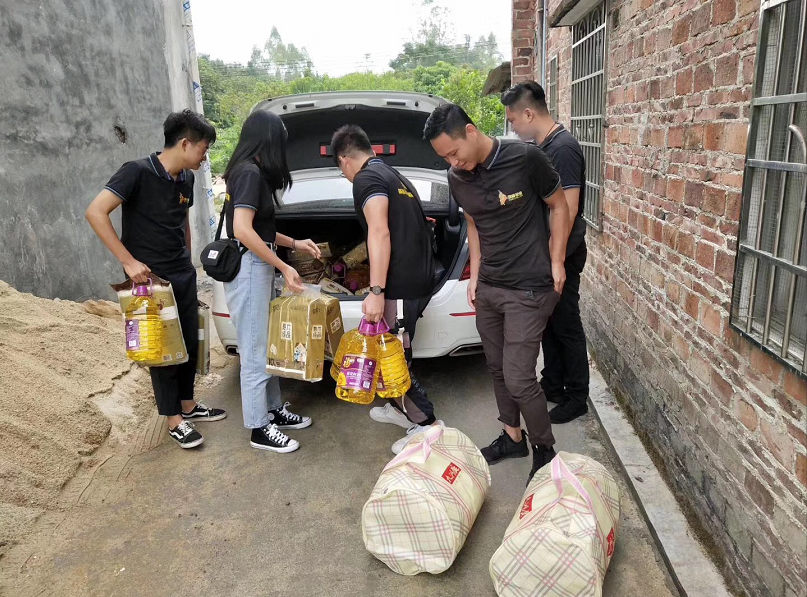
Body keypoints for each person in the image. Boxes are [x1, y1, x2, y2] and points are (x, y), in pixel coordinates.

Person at [424, 103, 570, 484]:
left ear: (471, 132)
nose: (453, 162)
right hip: (490, 285)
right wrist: (475, 274)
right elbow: (473, 223)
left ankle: (545, 451)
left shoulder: (525, 158)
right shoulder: (457, 177)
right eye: (445, 158)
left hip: (530, 286)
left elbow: (559, 205)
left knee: (519, 376)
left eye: (454, 152)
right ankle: (512, 437)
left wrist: (557, 260)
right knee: (497, 367)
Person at [86, 110, 226, 449]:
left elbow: (182, 222)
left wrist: (189, 261)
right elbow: (95, 211)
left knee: (189, 340)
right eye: (203, 149)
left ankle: (188, 405)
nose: (205, 157)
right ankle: (174, 419)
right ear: (185, 143)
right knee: (163, 348)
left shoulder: (186, 179)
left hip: (181, 271)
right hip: (148, 279)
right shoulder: (136, 172)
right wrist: (128, 261)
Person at [330, 124, 443, 454]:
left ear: (344, 160)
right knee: (391, 348)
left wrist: (376, 291)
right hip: (418, 279)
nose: (345, 175)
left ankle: (426, 424)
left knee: (394, 355)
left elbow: (379, 232)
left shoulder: (366, 179)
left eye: (341, 169)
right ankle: (398, 408)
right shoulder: (394, 175)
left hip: (401, 285)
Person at [222, 110, 321, 453]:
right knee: (254, 349)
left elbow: (259, 230)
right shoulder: (249, 173)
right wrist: (283, 266)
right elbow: (242, 230)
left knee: (267, 344)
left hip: (256, 264)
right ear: (268, 140)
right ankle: (259, 428)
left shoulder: (249, 172)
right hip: (249, 267)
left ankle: (273, 409)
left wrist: (295, 243)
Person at [501, 81, 590, 425]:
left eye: (513, 120)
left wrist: (555, 259)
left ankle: (577, 397)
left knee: (566, 324)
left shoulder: (563, 148)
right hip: (549, 252)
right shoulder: (544, 147)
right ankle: (553, 383)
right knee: (549, 323)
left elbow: (568, 207)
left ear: (528, 113)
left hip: (563, 251)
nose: (513, 128)